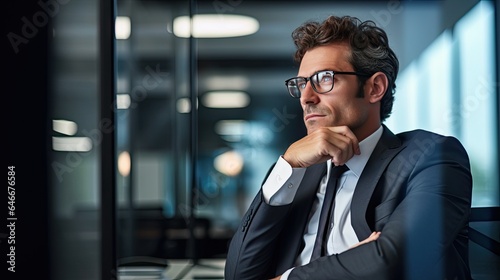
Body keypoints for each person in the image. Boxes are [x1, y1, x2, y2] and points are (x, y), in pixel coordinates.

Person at [224, 15, 473, 280]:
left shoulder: (432, 157)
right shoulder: (297, 172)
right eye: (301, 84)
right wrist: (287, 165)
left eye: (324, 78)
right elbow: (239, 273)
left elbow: (392, 261)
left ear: (375, 88)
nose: (307, 97)